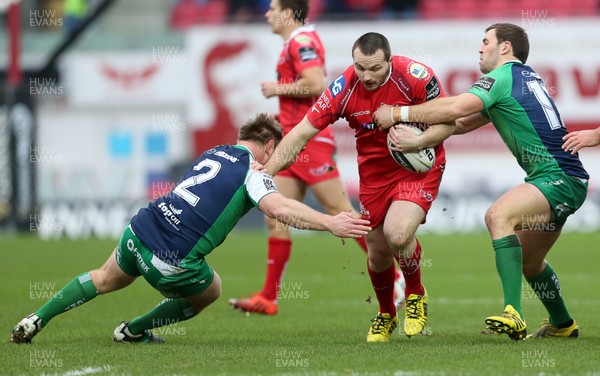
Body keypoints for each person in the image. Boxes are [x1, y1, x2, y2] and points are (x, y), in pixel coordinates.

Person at [10, 113, 371, 344]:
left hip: (139, 230)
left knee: (105, 278)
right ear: (271, 147)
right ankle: (134, 330)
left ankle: (35, 319)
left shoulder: (212, 152)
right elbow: (278, 208)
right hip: (171, 261)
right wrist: (329, 222)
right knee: (211, 289)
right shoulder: (254, 173)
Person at [373, 23, 588, 340]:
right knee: (530, 262)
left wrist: (398, 113)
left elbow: (457, 107)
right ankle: (563, 324)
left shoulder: (502, 77)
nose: (480, 48)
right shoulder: (524, 78)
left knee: (498, 216)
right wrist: (419, 142)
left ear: (505, 48)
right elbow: (458, 123)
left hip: (557, 178)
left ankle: (513, 313)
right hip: (566, 179)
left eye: (486, 41)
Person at [261, 32, 455, 342]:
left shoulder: (417, 77)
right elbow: (299, 135)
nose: (366, 76)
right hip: (374, 176)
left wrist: (417, 141)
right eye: (360, 67)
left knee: (398, 234)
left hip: (417, 169)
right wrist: (266, 172)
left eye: (375, 68)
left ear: (389, 61)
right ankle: (386, 313)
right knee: (377, 252)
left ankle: (416, 294)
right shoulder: (343, 88)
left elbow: (450, 121)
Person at [228, 0, 405, 316]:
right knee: (275, 215)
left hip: (311, 144)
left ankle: (397, 277)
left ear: (287, 12)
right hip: (290, 143)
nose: (267, 13)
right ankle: (269, 296)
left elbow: (315, 84)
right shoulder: (293, 43)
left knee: (339, 210)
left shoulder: (303, 41)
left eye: (272, 7)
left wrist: (277, 88)